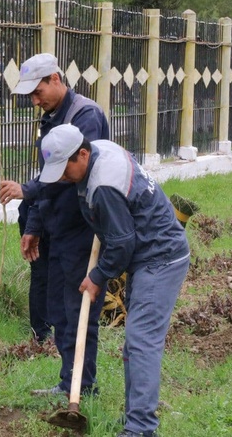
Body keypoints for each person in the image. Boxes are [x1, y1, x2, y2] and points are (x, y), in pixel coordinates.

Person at [38, 124, 190, 437]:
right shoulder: (100, 150)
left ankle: (140, 428)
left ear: (82, 153)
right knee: (135, 345)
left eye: (64, 168)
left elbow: (122, 242)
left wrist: (97, 276)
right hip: (147, 256)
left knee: (141, 343)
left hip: (160, 258)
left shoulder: (103, 184)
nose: (62, 177)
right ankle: (136, 418)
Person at [0, 53, 110, 395]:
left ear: (56, 79)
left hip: (82, 229)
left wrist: (26, 191)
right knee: (59, 311)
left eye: (38, 91)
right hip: (56, 228)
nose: (35, 100)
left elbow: (70, 171)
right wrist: (33, 225)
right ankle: (67, 382)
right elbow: (47, 172)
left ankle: (82, 386)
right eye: (30, 95)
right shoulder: (49, 118)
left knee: (78, 311)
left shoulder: (84, 116)